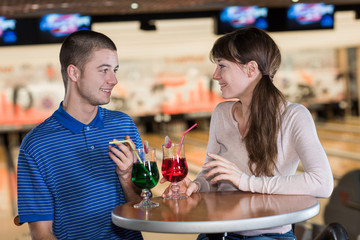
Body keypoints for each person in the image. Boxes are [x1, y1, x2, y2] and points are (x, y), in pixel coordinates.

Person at [162, 27, 334, 240]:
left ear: (251, 69)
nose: (215, 75)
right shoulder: (221, 113)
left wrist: (246, 181)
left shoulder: (294, 116)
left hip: (269, 235)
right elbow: (211, 174)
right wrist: (196, 185)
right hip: (217, 231)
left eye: (222, 65)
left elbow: (322, 182)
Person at [17, 30, 143, 240]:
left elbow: (140, 208)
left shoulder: (123, 126)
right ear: (74, 73)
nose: (114, 80)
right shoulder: (36, 146)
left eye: (115, 70)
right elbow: (42, 233)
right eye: (104, 70)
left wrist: (127, 177)